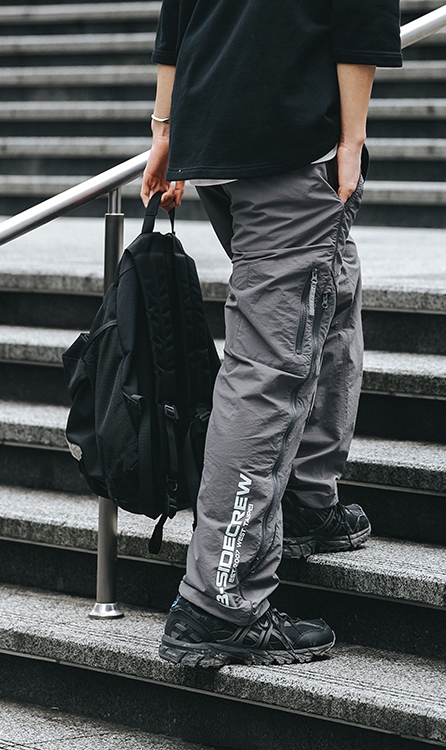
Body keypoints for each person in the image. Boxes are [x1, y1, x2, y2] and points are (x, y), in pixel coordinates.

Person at [141, 0, 402, 667]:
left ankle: (307, 498)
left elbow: (178, 12)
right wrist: (352, 137)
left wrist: (166, 128)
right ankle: (219, 601)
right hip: (289, 135)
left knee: (330, 295)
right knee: (268, 366)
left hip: (215, 123)